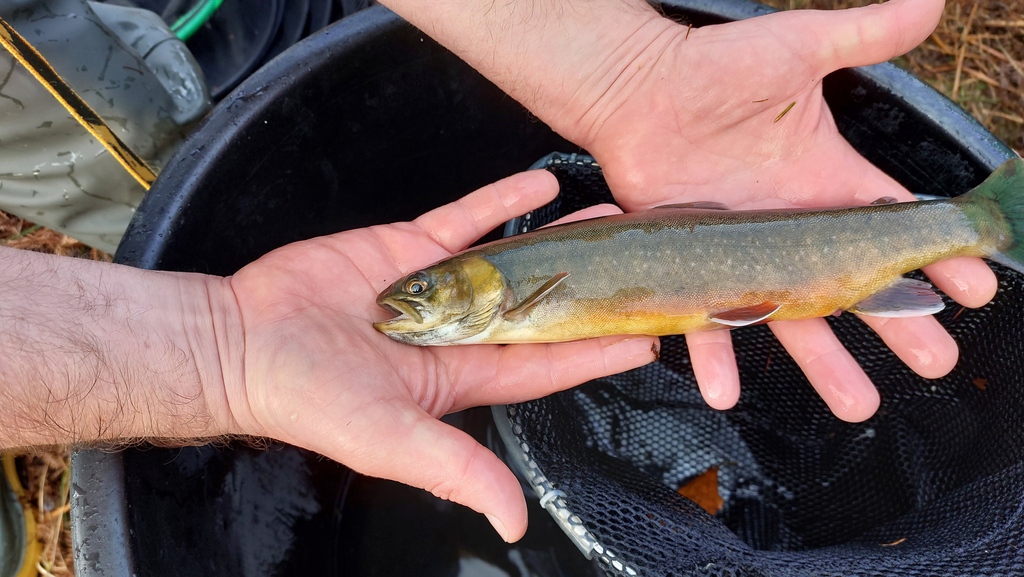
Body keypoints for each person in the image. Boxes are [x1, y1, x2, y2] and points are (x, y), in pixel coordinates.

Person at [0, 0, 995, 543]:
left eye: (426, 294)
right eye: (420, 297)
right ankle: (967, 226)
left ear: (487, 286)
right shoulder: (510, 295)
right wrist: (215, 351)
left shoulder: (518, 293)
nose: (408, 307)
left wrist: (621, 73)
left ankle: (980, 224)